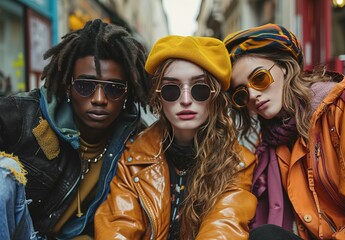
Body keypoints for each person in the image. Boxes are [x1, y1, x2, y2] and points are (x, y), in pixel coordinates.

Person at [94, 35, 257, 239]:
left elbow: (223, 227)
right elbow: (119, 225)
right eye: (172, 90)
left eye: (200, 89)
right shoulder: (133, 155)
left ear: (215, 97)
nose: (186, 100)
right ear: (159, 98)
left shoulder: (238, 162)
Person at [0, 18, 150, 239]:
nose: (99, 99)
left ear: (128, 93)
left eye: (114, 89)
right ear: (68, 86)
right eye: (85, 86)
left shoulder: (136, 139)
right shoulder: (25, 115)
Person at [224, 23, 345, 239]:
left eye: (259, 78)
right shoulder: (270, 145)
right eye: (241, 94)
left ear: (285, 68)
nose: (252, 95)